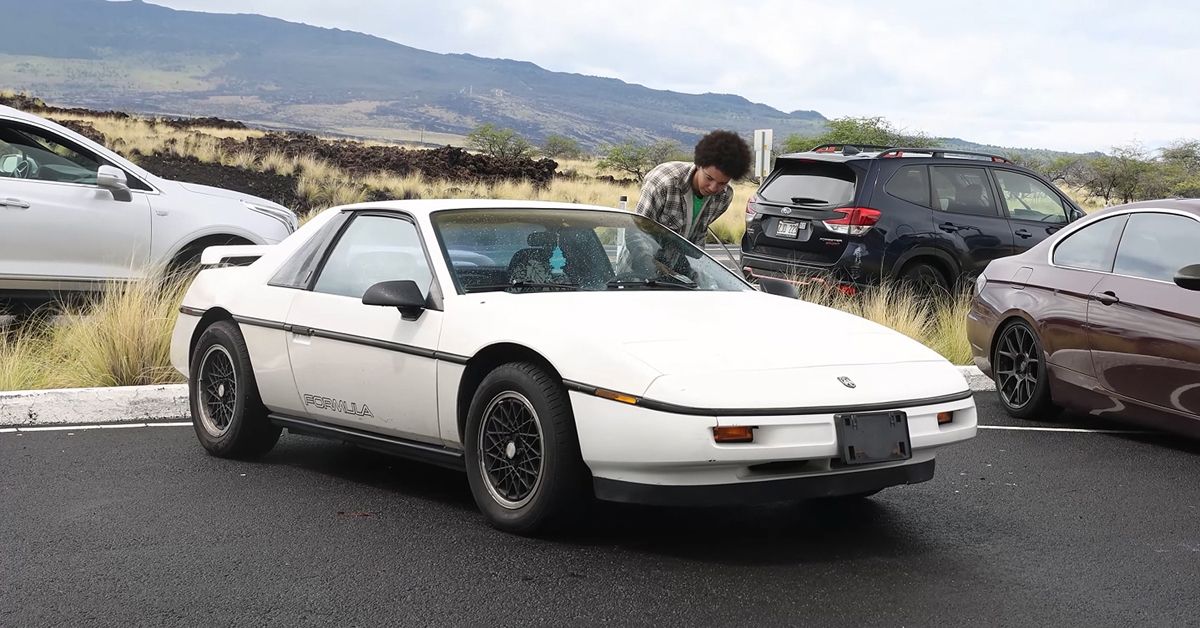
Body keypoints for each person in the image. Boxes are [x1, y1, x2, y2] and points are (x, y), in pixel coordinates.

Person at [634, 129, 753, 247]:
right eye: (709, 178)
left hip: (678, 262)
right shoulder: (663, 183)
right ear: (698, 164)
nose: (713, 188)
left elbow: (698, 236)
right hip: (640, 261)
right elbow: (636, 233)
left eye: (722, 183)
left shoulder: (724, 196)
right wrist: (649, 263)